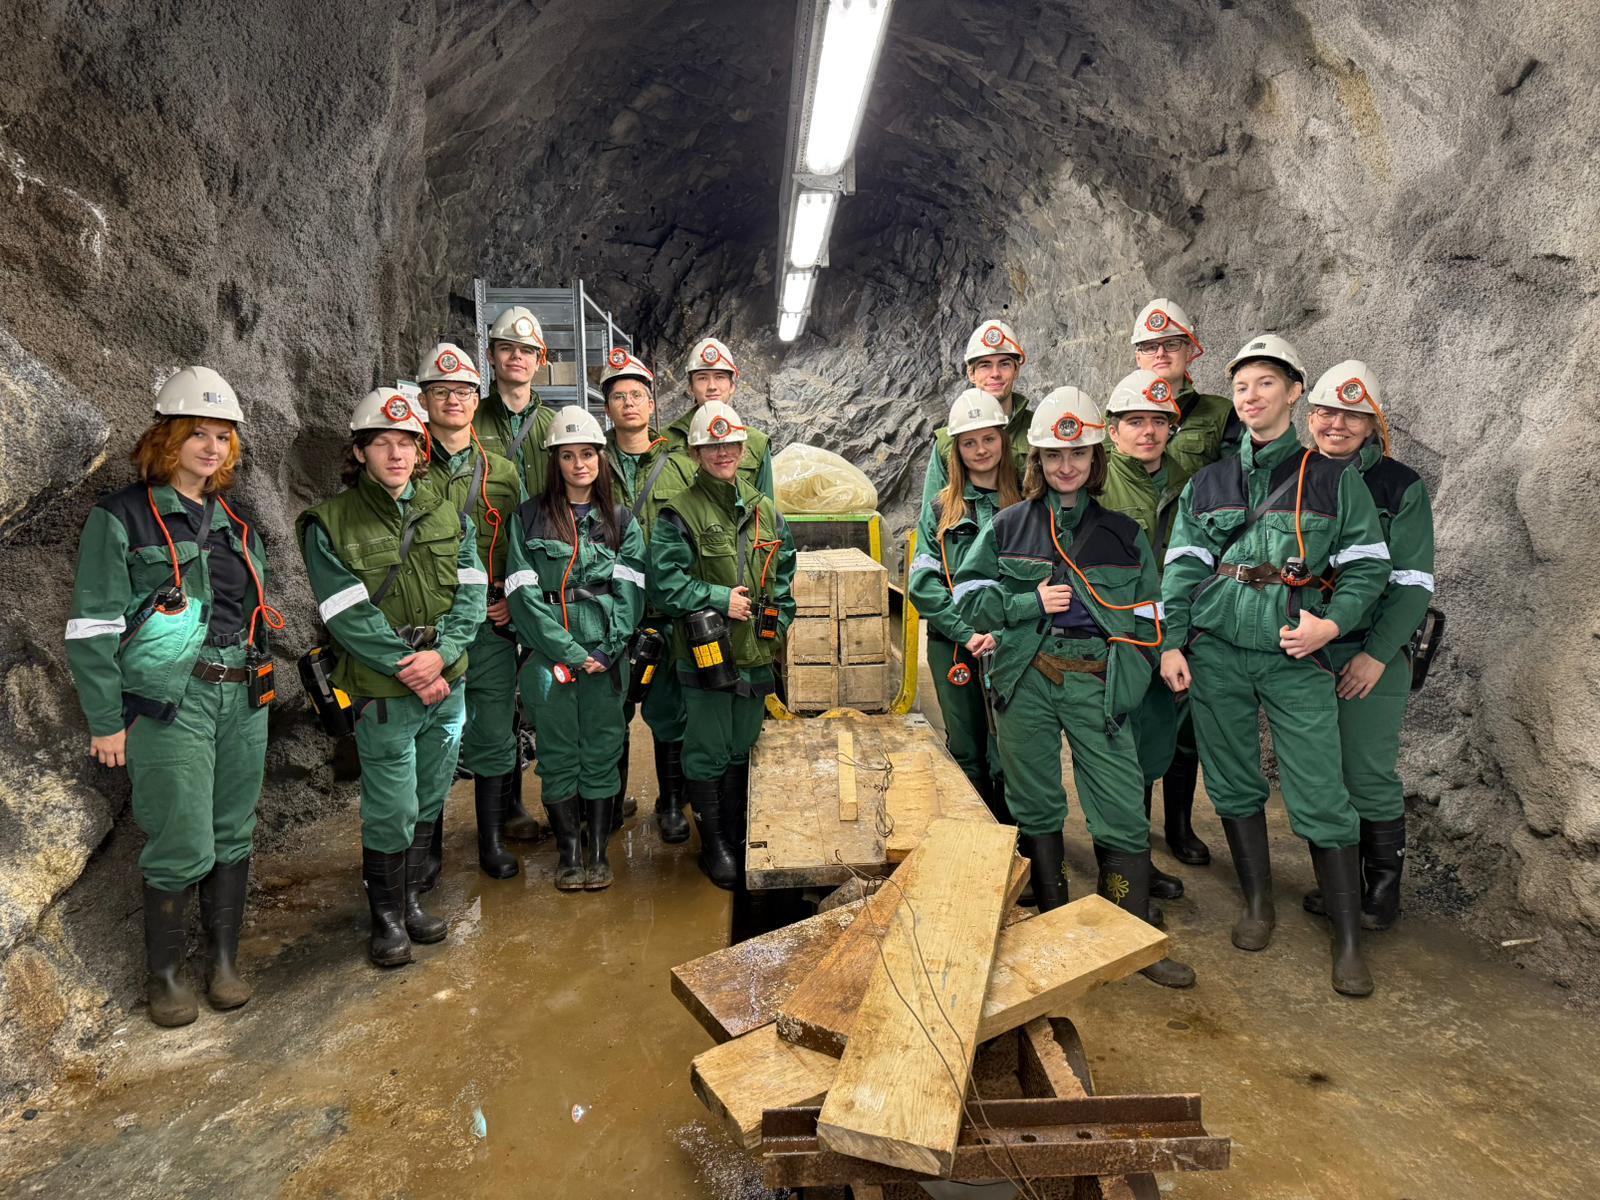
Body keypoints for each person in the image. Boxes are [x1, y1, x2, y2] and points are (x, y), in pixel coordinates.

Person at [1159, 335, 1390, 997]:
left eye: (1266, 383)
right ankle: (1259, 904)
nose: (1251, 396)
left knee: (1320, 791)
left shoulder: (1335, 480)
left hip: (1295, 654)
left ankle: (1348, 940)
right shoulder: (1209, 482)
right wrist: (1172, 642)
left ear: (1294, 393)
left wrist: (1332, 624)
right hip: (1217, 650)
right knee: (1233, 781)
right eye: (1241, 386)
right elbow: (1182, 567)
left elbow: (1368, 566)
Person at [954, 387, 1194, 989]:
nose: (1066, 466)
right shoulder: (1007, 526)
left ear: (1095, 459)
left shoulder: (1122, 533)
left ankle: (1128, 936)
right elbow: (970, 601)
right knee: (1034, 799)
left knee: (1121, 806)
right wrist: (1026, 602)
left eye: (1079, 454)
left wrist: (1127, 680)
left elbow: (1149, 614)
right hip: (1026, 678)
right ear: (1037, 460)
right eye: (1054, 456)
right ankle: (1054, 922)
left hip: (1096, 681)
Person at [66, 367, 277, 1026]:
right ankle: (165, 977)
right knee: (180, 837)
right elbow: (92, 625)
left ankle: (223, 964)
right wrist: (106, 720)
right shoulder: (122, 516)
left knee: (233, 830)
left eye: (222, 437)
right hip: (171, 700)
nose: (212, 448)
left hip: (242, 694)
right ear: (168, 438)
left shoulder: (238, 523)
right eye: (197, 434)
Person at [298, 386, 486, 968]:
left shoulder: (447, 514)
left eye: (406, 443)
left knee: (430, 793)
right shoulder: (329, 523)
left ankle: (410, 902)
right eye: (382, 443)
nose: (396, 454)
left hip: (446, 682)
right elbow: (346, 614)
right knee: (390, 806)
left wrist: (444, 653)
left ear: (420, 450)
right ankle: (384, 919)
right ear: (359, 452)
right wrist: (414, 669)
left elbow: (472, 592)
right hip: (385, 689)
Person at [1299, 361, 1434, 931]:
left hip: (1367, 651)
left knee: (1365, 772)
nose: (1337, 424)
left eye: (1353, 416)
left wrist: (1377, 653)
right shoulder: (1295, 474)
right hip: (1305, 650)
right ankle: (1340, 885)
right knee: (1319, 774)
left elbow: (1413, 583)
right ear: (1310, 417)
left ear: (1374, 424)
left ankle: (1381, 894)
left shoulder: (1399, 485)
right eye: (1327, 412)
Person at [648, 401, 796, 889]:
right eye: (711, 447)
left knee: (740, 748)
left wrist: (780, 623)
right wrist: (717, 598)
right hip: (705, 656)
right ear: (695, 453)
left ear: (743, 448)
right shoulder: (679, 513)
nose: (723, 453)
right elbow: (665, 586)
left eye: (730, 444)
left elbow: (785, 573)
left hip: (755, 654)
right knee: (708, 751)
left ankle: (734, 836)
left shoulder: (764, 509)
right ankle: (714, 848)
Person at [504, 406, 646, 891]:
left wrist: (608, 649)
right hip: (549, 658)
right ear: (555, 461)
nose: (579, 464)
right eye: (568, 455)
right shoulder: (528, 518)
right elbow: (522, 594)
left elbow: (631, 591)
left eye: (587, 453)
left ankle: (598, 853)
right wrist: (567, 650)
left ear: (601, 458)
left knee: (603, 750)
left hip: (606, 658)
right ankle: (568, 855)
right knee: (559, 753)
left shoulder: (620, 520)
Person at [1129, 298, 1235, 872]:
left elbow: (1244, 490)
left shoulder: (1219, 415)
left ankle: (1179, 824)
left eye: (1171, 344)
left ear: (1193, 350)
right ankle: (1136, 830)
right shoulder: (1124, 407)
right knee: (1139, 709)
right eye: (1149, 346)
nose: (1160, 355)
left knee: (1186, 711)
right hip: (1135, 584)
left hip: (1196, 582)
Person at [415, 346, 525, 880]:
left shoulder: (502, 472)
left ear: (476, 400)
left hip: (489, 624)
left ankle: (492, 841)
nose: (453, 400)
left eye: (462, 392)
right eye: (441, 392)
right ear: (424, 400)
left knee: (494, 730)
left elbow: (520, 545)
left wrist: (513, 600)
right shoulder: (407, 464)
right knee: (432, 737)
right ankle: (427, 848)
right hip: (431, 628)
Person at [1098, 368, 1193, 909]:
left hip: (1168, 634)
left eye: (1159, 421)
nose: (1148, 432)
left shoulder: (1187, 481)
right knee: (1115, 750)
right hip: (1118, 638)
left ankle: (1138, 857)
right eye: (1135, 421)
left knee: (1152, 747)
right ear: (1113, 430)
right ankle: (1119, 869)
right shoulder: (1097, 482)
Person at [907, 388, 1021, 820]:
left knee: (1011, 748)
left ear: (1003, 440)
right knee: (967, 747)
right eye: (969, 442)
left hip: (1014, 644)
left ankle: (1018, 833)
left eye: (989, 439)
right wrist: (967, 632)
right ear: (956, 450)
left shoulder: (1027, 503)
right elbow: (922, 581)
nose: (981, 450)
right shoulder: (942, 509)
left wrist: (1003, 630)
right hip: (954, 645)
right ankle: (977, 831)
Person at [471, 308, 556, 842]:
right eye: (507, 348)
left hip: (543, 581)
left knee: (548, 691)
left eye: (526, 351)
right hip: (489, 584)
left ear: (540, 360)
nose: (516, 358)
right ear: (491, 356)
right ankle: (509, 806)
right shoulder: (469, 421)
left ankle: (574, 793)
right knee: (497, 702)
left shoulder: (556, 426)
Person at [600, 348, 690, 843]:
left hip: (664, 609)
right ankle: (611, 802)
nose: (629, 403)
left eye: (637, 395)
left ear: (652, 405)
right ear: (607, 407)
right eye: (619, 396)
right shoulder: (590, 463)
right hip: (608, 609)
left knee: (667, 709)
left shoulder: (679, 466)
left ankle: (671, 803)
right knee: (611, 709)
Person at [919, 320, 1033, 512]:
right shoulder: (947, 441)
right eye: (985, 365)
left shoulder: (1038, 431)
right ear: (971, 373)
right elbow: (931, 516)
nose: (995, 373)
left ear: (1016, 370)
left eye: (1004, 364)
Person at [662, 337, 774, 499]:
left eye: (720, 377)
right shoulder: (665, 440)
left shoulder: (757, 443)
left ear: (732, 386)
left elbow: (765, 509)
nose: (712, 386)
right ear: (690, 388)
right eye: (702, 378)